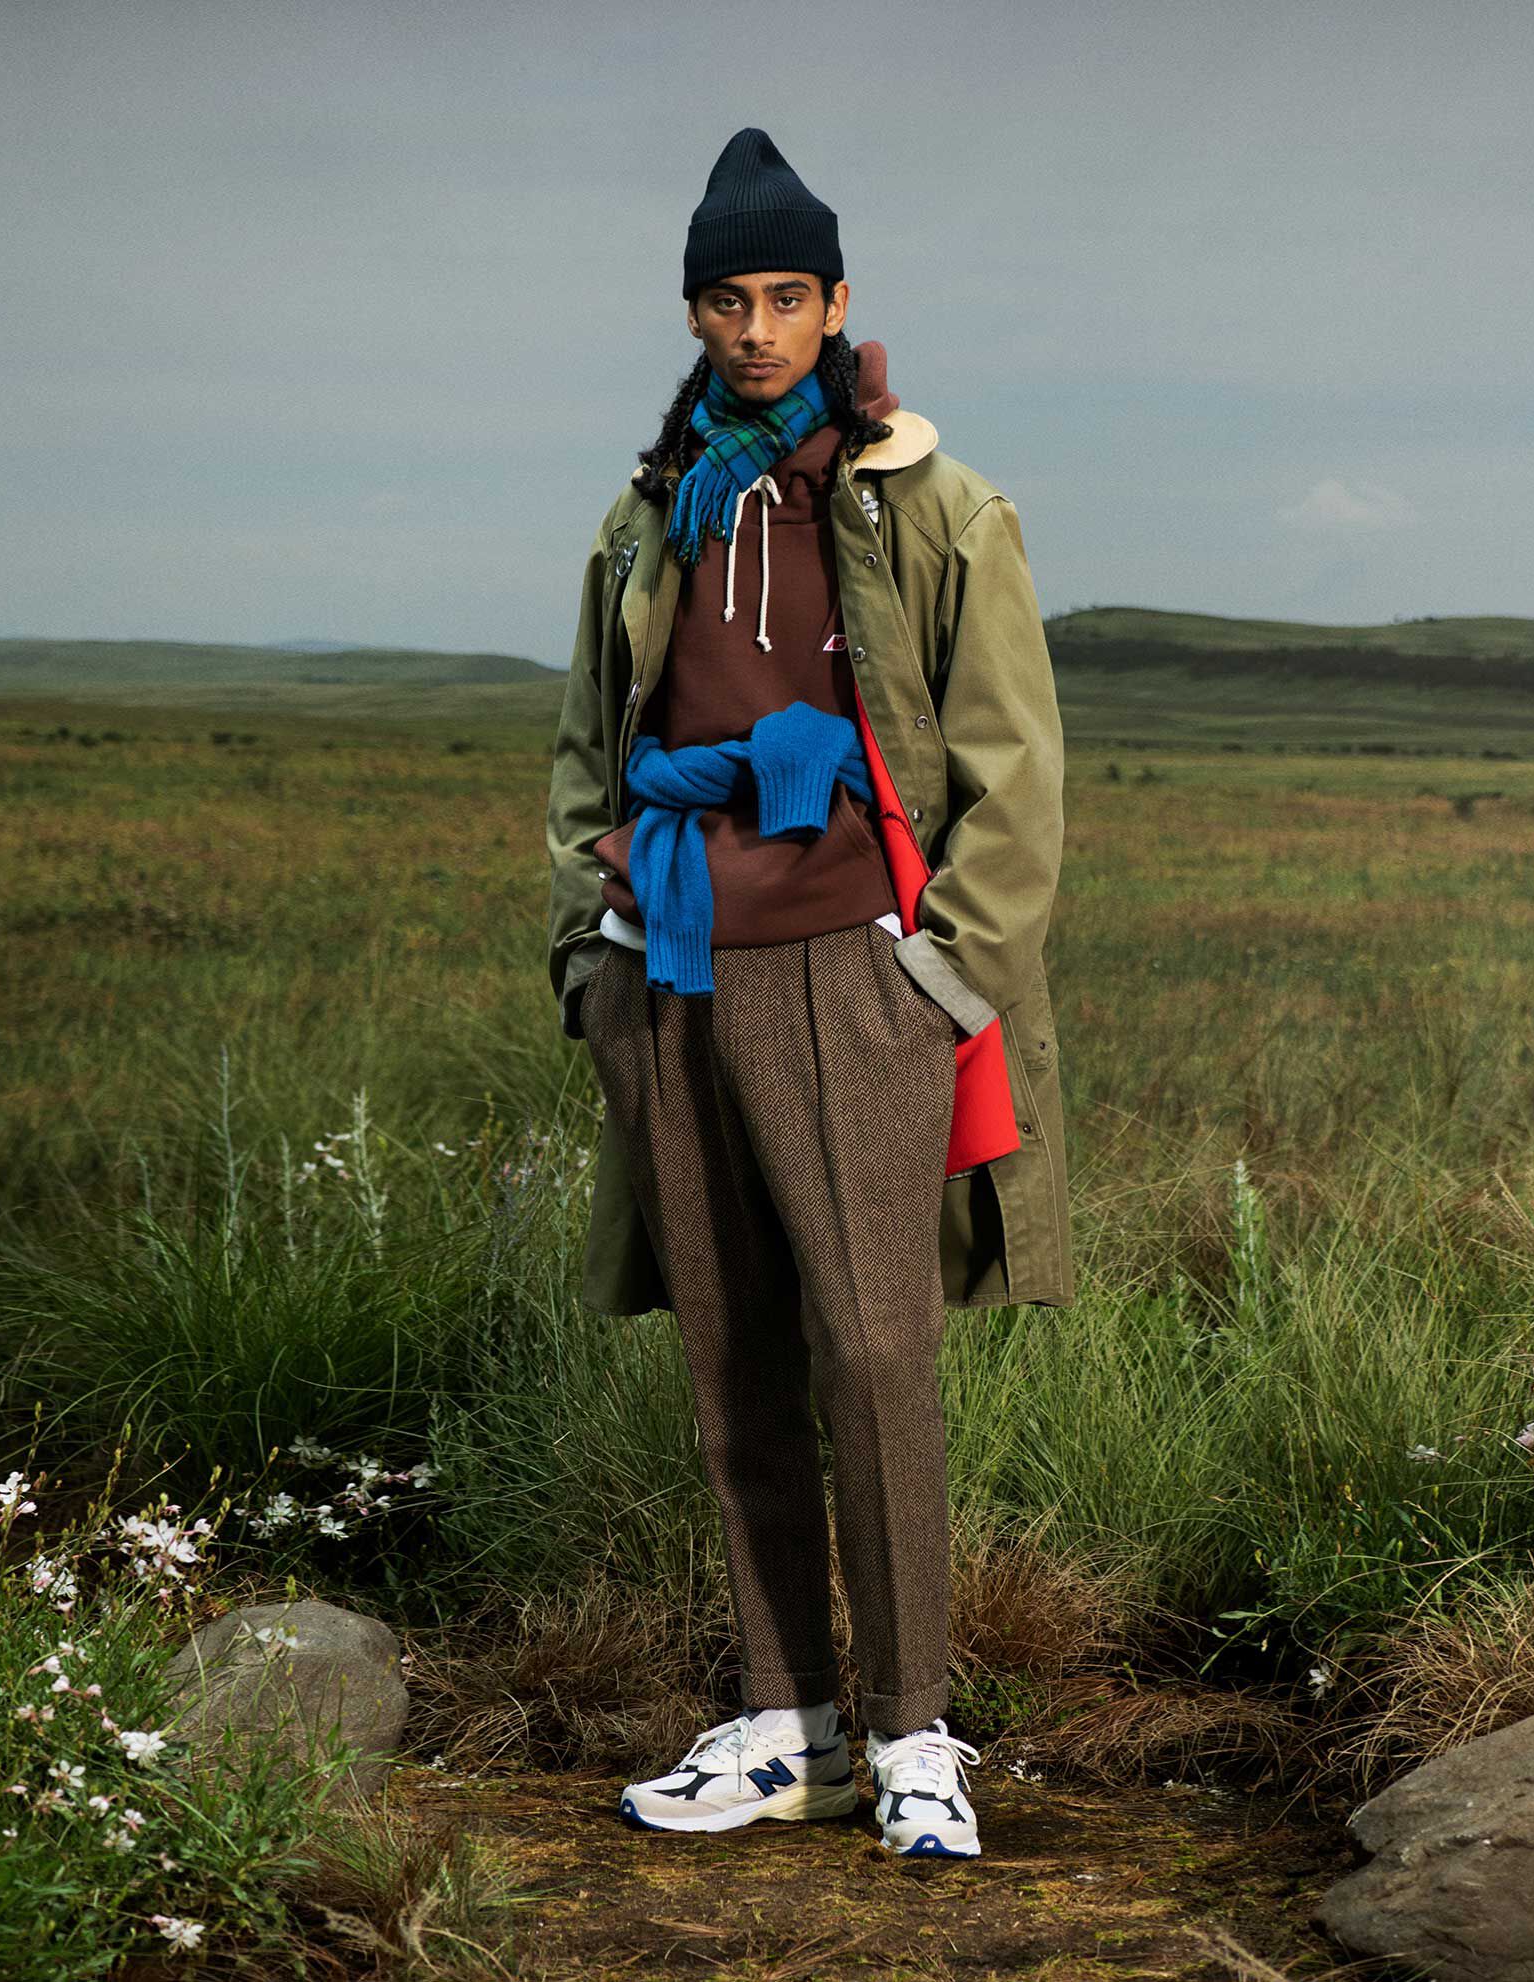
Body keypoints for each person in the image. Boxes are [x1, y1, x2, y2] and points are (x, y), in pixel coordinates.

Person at [543, 125, 1072, 1861]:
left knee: (872, 1344)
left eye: (786, 295)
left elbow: (1016, 771)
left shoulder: (930, 502)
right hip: (674, 958)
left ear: (836, 303)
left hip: (857, 967)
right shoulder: (647, 512)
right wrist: (589, 954)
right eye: (726, 297)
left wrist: (940, 976)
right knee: (733, 1352)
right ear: (692, 314)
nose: (757, 325)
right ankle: (791, 1723)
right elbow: (585, 751)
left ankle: (917, 1733)